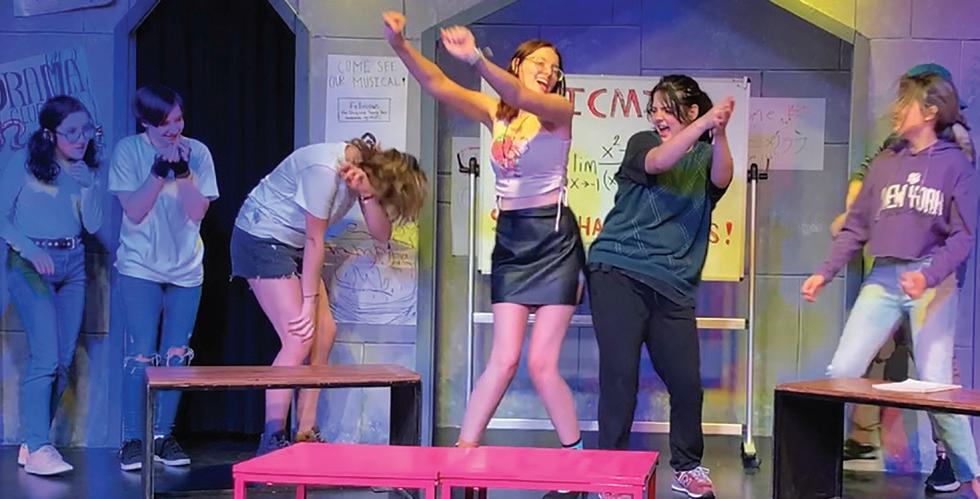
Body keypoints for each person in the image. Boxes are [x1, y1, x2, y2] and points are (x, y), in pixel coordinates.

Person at [383, 11, 586, 460]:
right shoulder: (498, 114)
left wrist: (476, 59)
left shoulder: (559, 112)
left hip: (554, 241)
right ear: (519, 64)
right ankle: (463, 452)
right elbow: (438, 84)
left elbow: (517, 93)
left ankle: (576, 458)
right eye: (539, 62)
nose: (548, 71)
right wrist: (400, 45)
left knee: (541, 363)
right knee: (504, 358)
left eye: (554, 68)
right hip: (512, 239)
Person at [802, 71, 980, 496]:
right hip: (884, 276)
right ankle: (816, 470)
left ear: (930, 111)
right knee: (842, 371)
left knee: (936, 385)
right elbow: (855, 226)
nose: (895, 110)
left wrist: (928, 276)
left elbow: (963, 238)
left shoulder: (955, 164)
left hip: (931, 279)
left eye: (905, 102)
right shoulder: (885, 162)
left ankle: (972, 475)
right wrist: (824, 272)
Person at [587, 74, 733, 499]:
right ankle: (611, 472)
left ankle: (687, 466)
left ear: (690, 110)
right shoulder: (643, 143)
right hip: (619, 271)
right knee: (620, 376)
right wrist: (703, 124)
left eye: (666, 108)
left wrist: (719, 133)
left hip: (673, 285)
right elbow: (659, 163)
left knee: (686, 382)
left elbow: (722, 179)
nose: (657, 117)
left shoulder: (704, 156)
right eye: (653, 109)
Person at [231, 139, 426, 455]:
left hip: (292, 244)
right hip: (261, 239)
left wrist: (367, 195)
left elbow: (382, 235)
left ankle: (305, 432)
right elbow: (314, 240)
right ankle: (272, 438)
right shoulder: (325, 170)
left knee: (325, 333)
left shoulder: (359, 176)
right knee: (298, 338)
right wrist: (308, 302)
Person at [109, 85, 219, 471]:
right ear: (146, 122)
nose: (174, 129)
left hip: (185, 269)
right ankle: (133, 439)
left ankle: (161, 436)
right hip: (139, 266)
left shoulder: (198, 152)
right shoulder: (128, 151)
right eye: (165, 123)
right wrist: (158, 172)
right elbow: (135, 211)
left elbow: (197, 212)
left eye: (178, 119)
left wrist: (184, 172)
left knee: (176, 353)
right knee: (140, 353)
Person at [1, 96, 103, 475]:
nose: (81, 138)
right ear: (50, 134)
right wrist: (29, 250)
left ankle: (33, 442)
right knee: (44, 357)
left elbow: (93, 225)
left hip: (72, 262)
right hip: (30, 264)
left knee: (61, 360)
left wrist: (90, 186)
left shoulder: (84, 170)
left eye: (86, 130)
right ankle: (40, 446)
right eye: (71, 132)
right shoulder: (24, 163)